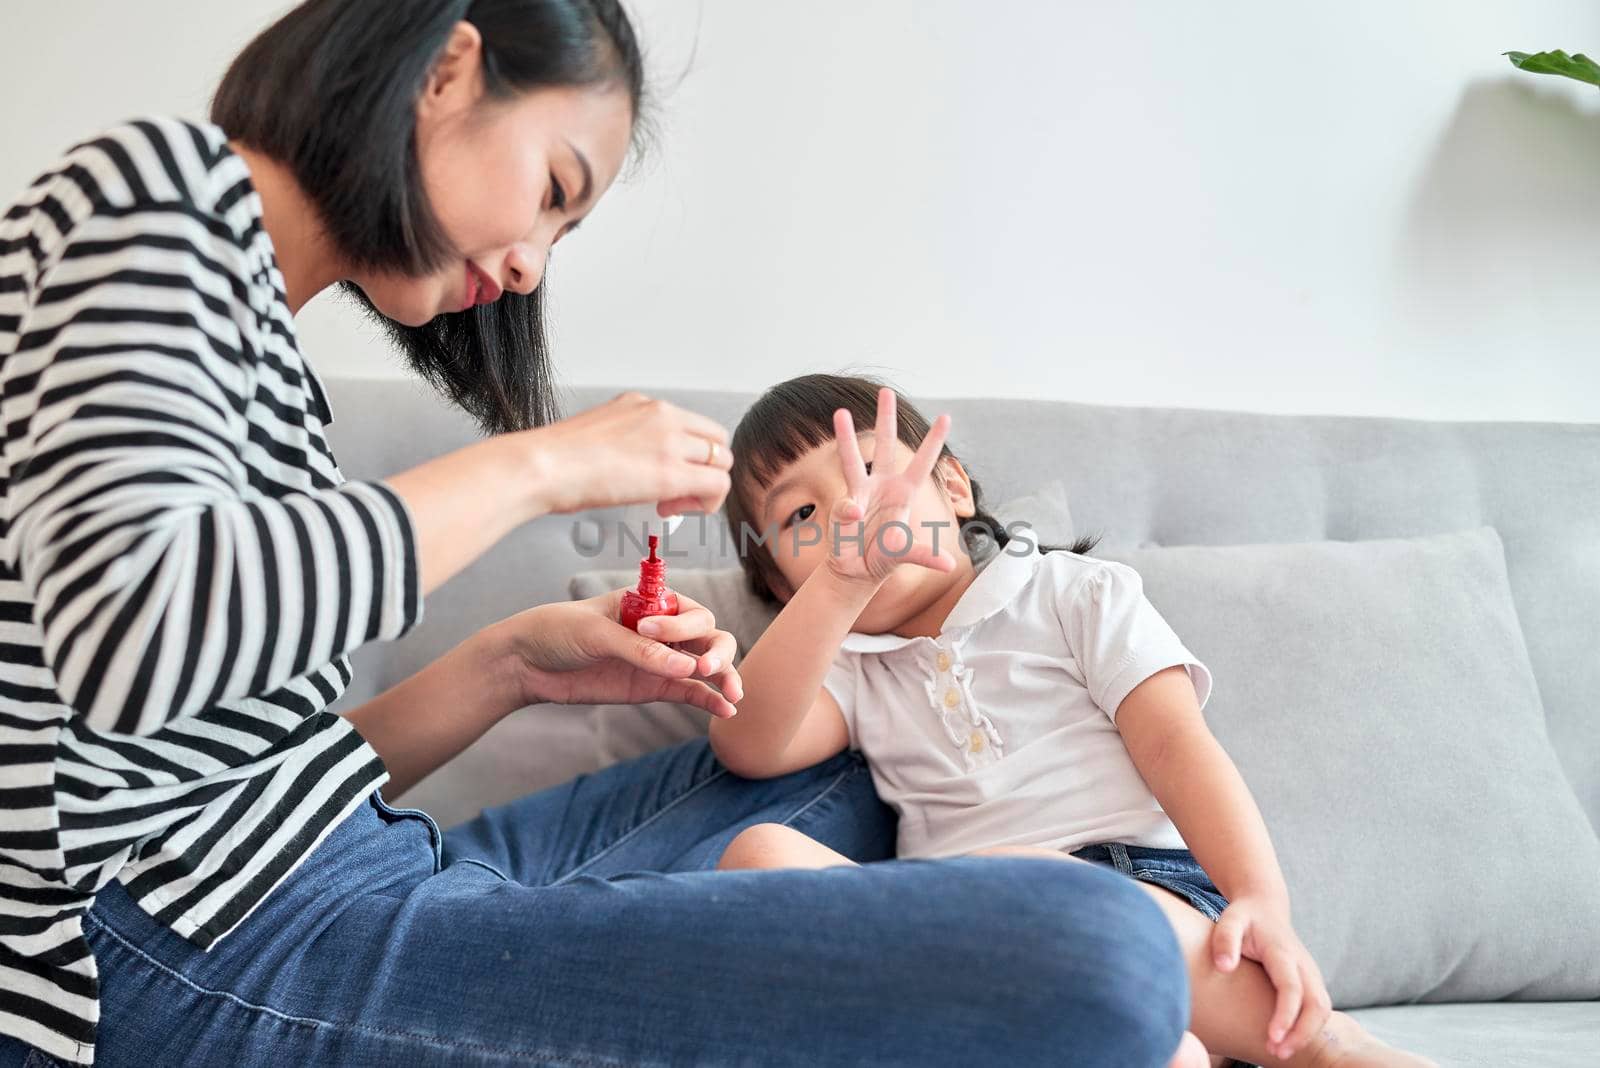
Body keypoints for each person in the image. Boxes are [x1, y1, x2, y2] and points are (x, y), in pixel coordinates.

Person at [0, 2, 1192, 1065]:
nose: (525, 269)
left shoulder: (270, 362)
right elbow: (133, 633)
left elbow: (247, 777)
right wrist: (545, 465)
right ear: (447, 72)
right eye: (555, 192)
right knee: (1107, 955)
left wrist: (514, 665)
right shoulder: (156, 187)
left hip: (323, 878)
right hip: (178, 953)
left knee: (822, 758)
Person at [709, 374, 1437, 1068]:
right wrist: (839, 586)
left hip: (1145, 898)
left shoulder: (1071, 593)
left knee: (1013, 878)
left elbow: (1177, 745)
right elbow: (748, 744)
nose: (855, 513)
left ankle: (1317, 1045)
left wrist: (1259, 898)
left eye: (872, 471)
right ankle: (1151, 1049)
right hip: (976, 948)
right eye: (804, 516)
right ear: (780, 583)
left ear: (952, 488)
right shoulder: (852, 667)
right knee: (759, 854)